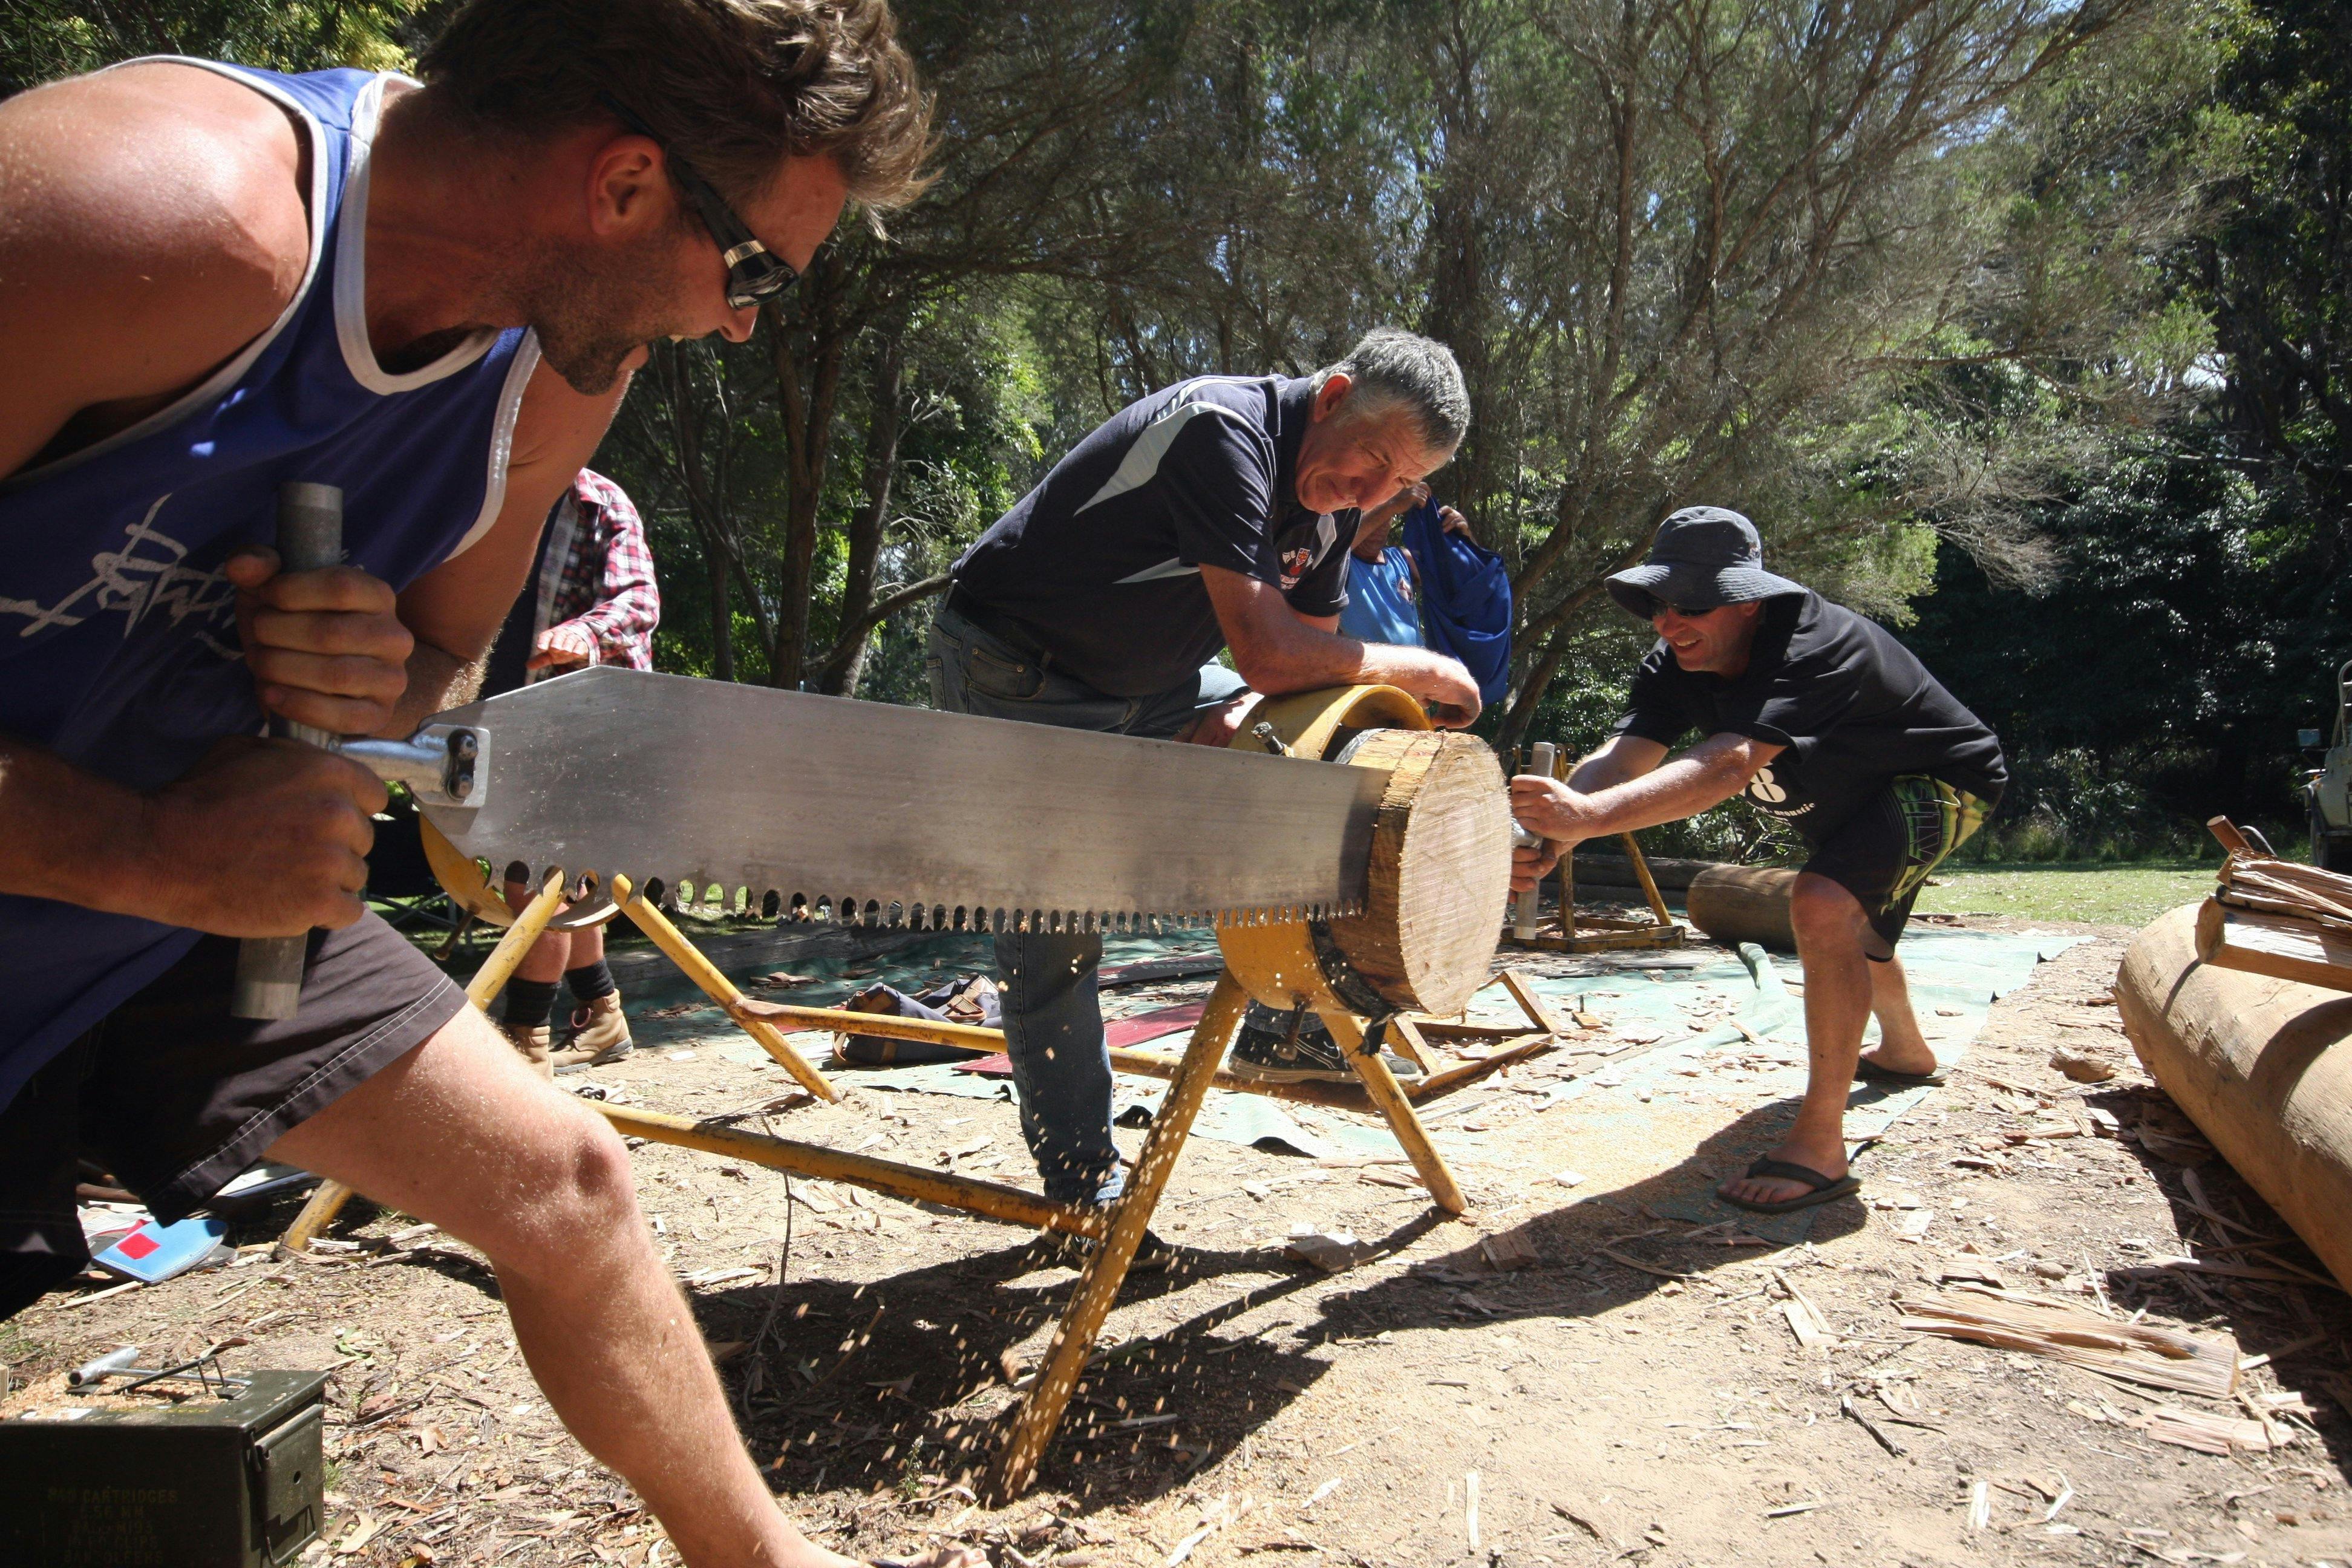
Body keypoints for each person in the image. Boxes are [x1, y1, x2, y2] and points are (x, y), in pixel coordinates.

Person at [0, 6, 975, 1565]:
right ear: (626, 186)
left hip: (172, 900)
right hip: (135, 862)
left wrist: (348, 671)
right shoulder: (154, 218)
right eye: (757, 274)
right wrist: (150, 849)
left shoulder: (554, 380)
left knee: (569, 1186)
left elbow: (441, 660)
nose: (740, 327)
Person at [930, 328, 1483, 1210]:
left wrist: (1259, 704)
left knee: (1323, 764)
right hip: (1022, 671)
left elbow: (1311, 665)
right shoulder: (1223, 429)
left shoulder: (1335, 509)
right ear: (1334, 395)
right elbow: (1274, 653)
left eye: (1403, 485)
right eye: (1373, 459)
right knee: (1054, 923)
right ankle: (1084, 1192)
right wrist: (1419, 669)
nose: (1372, 495)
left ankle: (1290, 1023)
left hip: (1152, 678)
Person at [1508, 507, 2005, 1216]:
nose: (1667, 622)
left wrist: (1586, 819)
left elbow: (1728, 767)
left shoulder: (1812, 643)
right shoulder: (1677, 661)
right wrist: (1555, 837)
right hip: (1845, 797)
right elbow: (1624, 759)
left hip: (1945, 783)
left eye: (1690, 606)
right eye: (1658, 604)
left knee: (1823, 903)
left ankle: (1821, 1148)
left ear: (1746, 600)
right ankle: (1904, 1051)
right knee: (1848, 911)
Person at [483, 468, 661, 1074]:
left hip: (589, 724)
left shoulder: (599, 502)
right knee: (572, 890)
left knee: (533, 881)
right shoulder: (481, 496)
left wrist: (586, 633)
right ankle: (603, 1016)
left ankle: (523, 1041)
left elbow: (639, 602)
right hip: (502, 718)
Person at [1334, 480, 1476, 648]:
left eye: (1386, 519)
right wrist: (1391, 505)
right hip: (1369, 671)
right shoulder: (1340, 562)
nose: (1379, 526)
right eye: (1373, 515)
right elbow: (1338, 549)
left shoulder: (1401, 559)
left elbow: (1463, 580)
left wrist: (1465, 539)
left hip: (1417, 667)